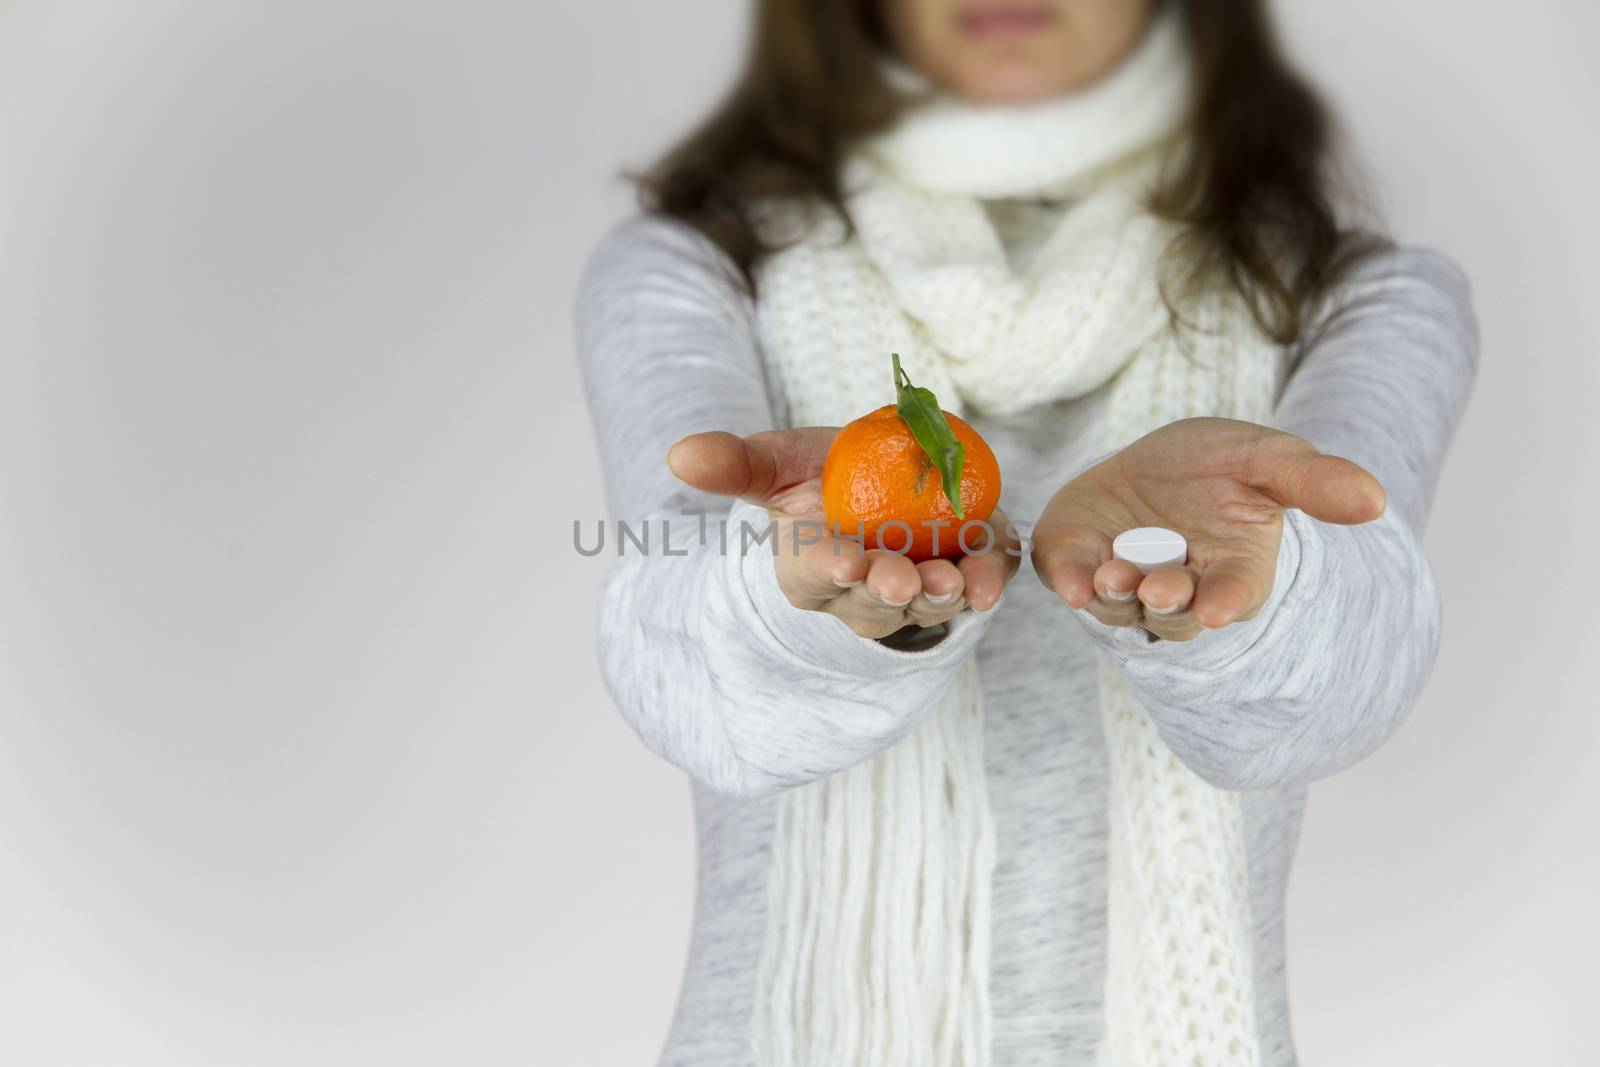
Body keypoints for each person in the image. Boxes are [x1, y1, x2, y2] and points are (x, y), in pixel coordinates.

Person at [576, 1, 1478, 1064]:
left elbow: (1341, 685)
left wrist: (1256, 591)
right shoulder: (700, 265)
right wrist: (815, 596)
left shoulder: (1353, 297)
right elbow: (684, 674)